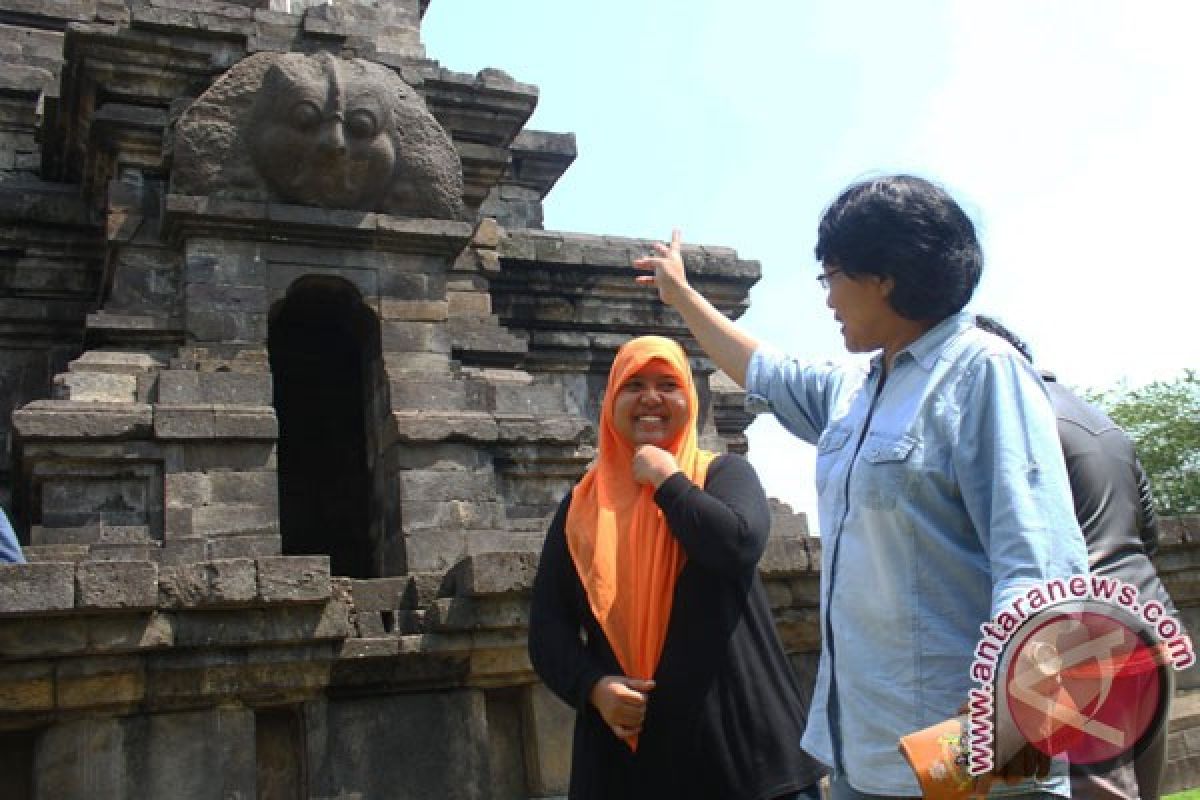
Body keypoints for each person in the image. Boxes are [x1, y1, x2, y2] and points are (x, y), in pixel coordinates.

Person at [632, 175, 1090, 799]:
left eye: (831, 277)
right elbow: (766, 370)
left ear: (885, 277)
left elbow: (1037, 564)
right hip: (863, 754)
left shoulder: (983, 372)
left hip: (964, 753)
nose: (827, 300)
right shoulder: (857, 390)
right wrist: (681, 295)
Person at [528, 335, 824, 800]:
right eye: (634, 385)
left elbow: (737, 545)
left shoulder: (723, 475)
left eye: (668, 384)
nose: (651, 398)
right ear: (611, 401)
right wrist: (593, 687)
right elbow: (547, 628)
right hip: (629, 766)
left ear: (690, 396)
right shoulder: (581, 508)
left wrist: (668, 481)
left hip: (744, 758)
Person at [976, 314, 1178, 800]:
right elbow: (1147, 534)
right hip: (1148, 616)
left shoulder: (1023, 423)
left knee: (1093, 792)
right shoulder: (1103, 423)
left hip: (1083, 636)